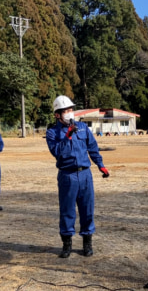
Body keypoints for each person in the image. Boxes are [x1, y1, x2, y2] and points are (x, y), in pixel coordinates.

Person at [46, 95, 110, 258]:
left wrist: (100, 165)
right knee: (67, 211)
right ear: (57, 115)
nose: (69, 113)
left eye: (70, 110)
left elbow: (92, 147)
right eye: (65, 111)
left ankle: (87, 243)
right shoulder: (52, 133)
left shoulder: (82, 128)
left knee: (87, 209)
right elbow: (57, 153)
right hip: (67, 176)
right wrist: (67, 135)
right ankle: (67, 244)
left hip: (85, 174)